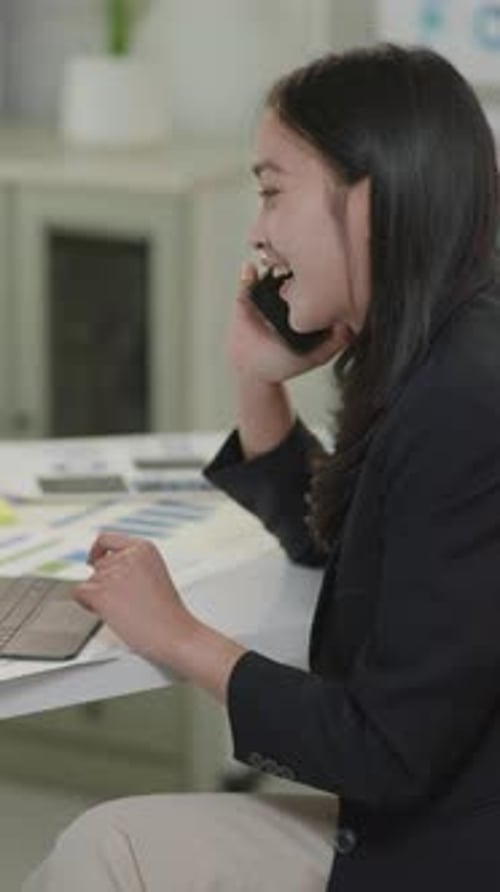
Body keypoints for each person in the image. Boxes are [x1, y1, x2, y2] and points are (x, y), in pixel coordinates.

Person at [24, 42, 500, 892]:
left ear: (372, 194)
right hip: (446, 819)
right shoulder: (447, 347)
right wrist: (256, 374)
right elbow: (355, 551)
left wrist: (177, 635)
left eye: (272, 189)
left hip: (444, 849)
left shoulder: (464, 400)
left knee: (104, 854)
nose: (257, 231)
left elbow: (383, 750)